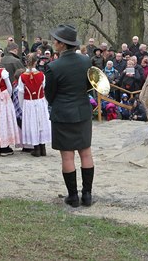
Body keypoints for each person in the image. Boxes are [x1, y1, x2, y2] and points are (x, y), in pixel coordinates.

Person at [45, 24, 94, 208]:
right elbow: (91, 86)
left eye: (55, 40)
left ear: (61, 44)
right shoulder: (86, 61)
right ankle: (87, 195)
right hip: (82, 111)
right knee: (86, 153)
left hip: (63, 114)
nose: (53, 42)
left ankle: (73, 197)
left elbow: (49, 94)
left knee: (67, 157)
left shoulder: (53, 67)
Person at [18, 53, 51, 157]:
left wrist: (22, 105)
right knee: (40, 123)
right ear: (36, 62)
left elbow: (21, 92)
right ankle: (42, 147)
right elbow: (44, 89)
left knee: (33, 123)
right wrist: (45, 102)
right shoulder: (41, 75)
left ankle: (36, 148)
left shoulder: (22, 76)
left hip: (29, 102)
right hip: (40, 101)